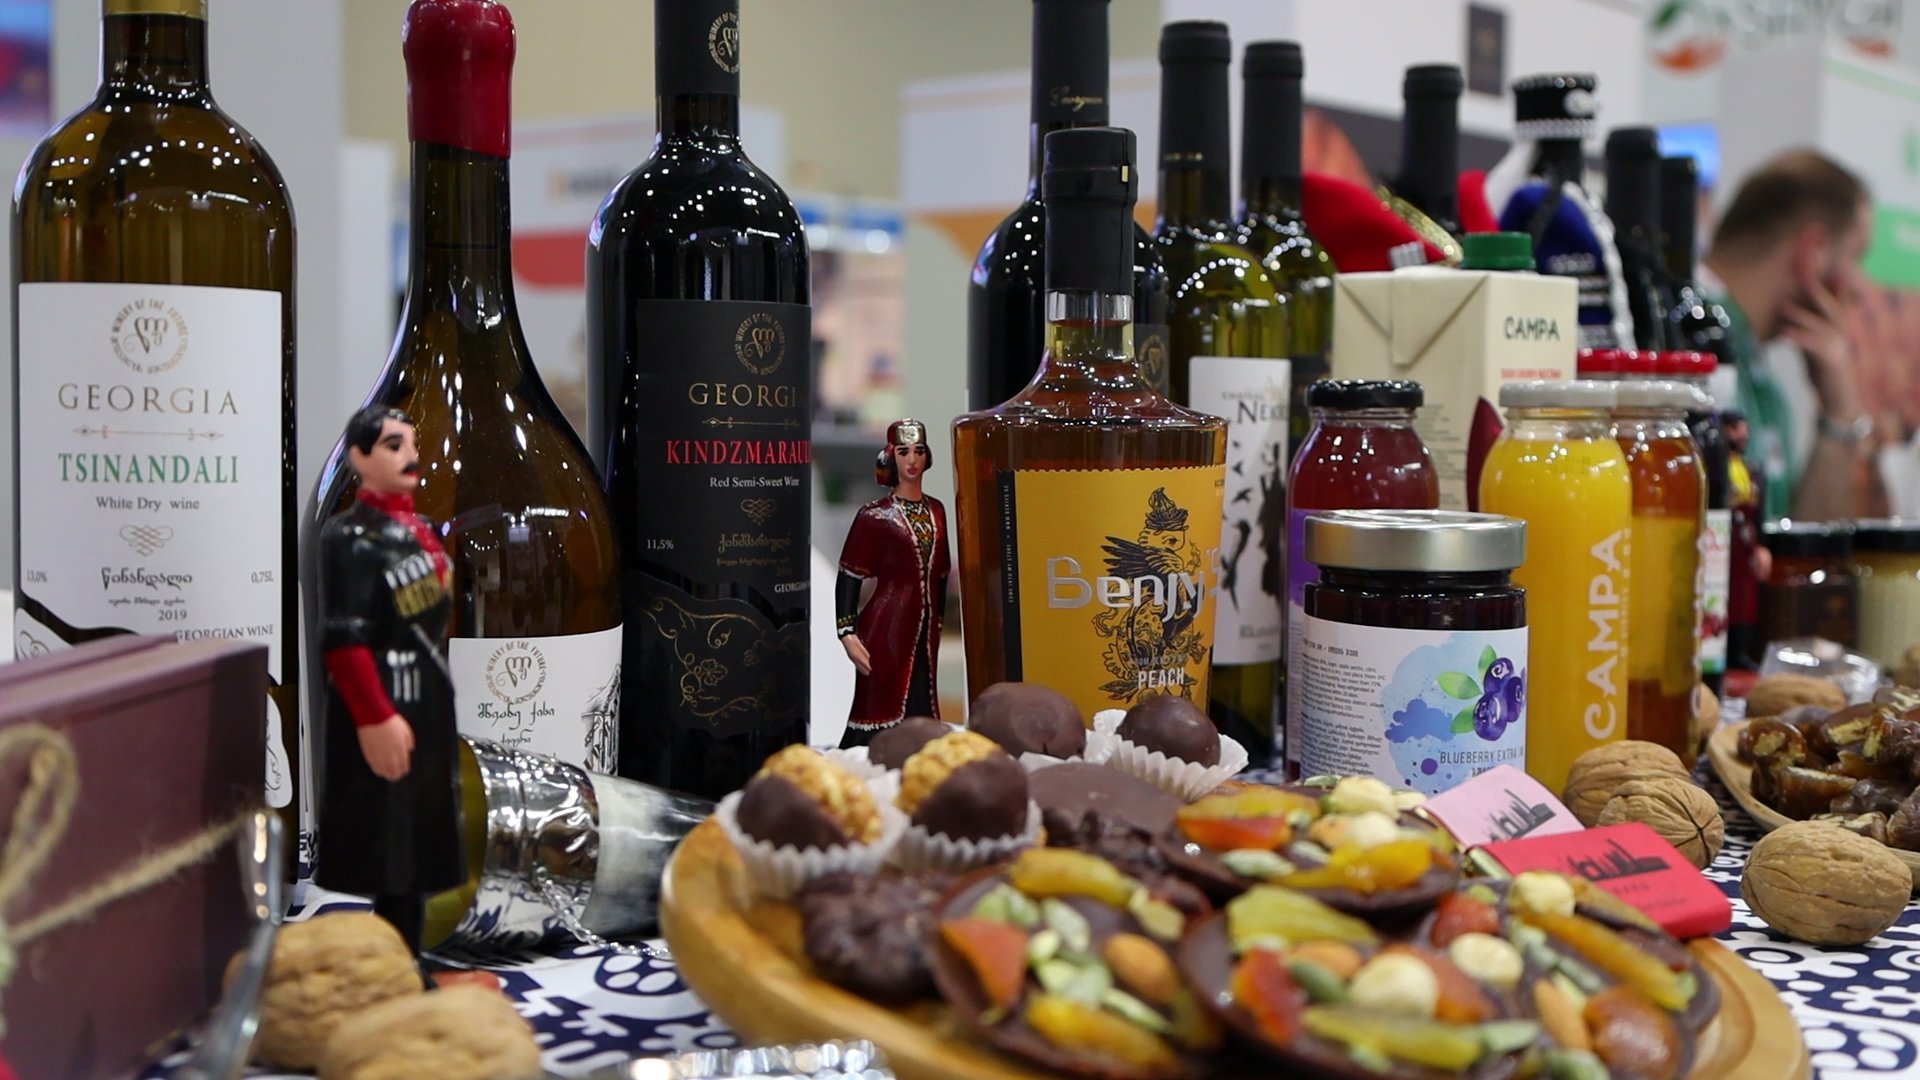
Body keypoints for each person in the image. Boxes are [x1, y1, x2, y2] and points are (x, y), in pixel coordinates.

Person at [316, 405, 465, 954]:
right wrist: (374, 715)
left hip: (425, 696)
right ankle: (395, 961)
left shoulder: (419, 531)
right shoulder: (350, 538)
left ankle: (409, 958)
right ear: (358, 458)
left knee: (420, 840)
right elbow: (344, 639)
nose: (411, 456)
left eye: (412, 444)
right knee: (392, 842)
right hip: (385, 697)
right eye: (393, 445)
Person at [1701, 149, 1875, 521]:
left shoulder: (1763, 380)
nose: (1860, 288)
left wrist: (1839, 414)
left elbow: (1801, 549)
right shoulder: (1688, 337)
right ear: (1813, 252)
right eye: (1857, 256)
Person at [835, 419, 951, 746]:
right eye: (903, 452)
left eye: (918, 451)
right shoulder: (874, 516)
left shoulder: (937, 510)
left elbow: (942, 574)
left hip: (925, 629)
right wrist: (847, 632)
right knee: (879, 701)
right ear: (890, 457)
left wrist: (938, 621)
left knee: (922, 697)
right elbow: (849, 575)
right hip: (885, 626)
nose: (912, 460)